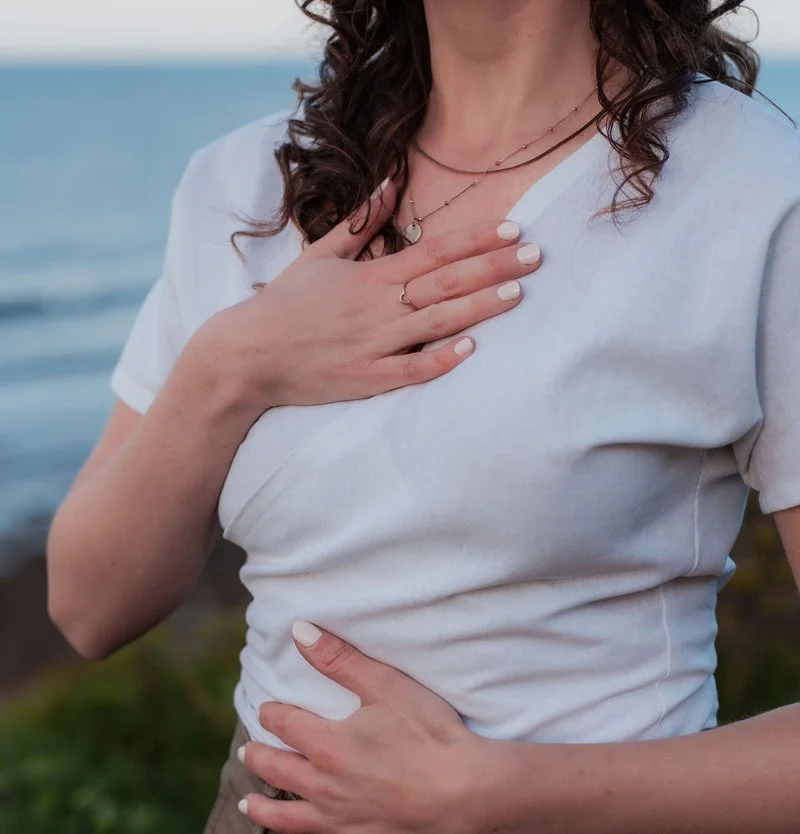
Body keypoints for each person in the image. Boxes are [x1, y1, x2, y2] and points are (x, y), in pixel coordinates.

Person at [47, 0, 800, 831]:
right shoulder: (245, 186)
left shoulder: (756, 194)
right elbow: (88, 607)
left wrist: (497, 794)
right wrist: (232, 367)